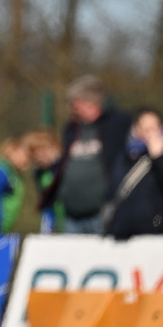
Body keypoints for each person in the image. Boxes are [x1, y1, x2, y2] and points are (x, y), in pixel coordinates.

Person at [43, 75, 132, 235]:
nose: (71, 108)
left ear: (91, 103)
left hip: (102, 212)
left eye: (75, 103)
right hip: (71, 214)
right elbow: (65, 162)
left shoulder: (119, 124)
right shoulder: (71, 128)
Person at [106, 107, 163, 240]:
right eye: (146, 128)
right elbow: (114, 187)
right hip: (124, 232)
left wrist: (160, 157)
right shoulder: (124, 154)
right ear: (136, 129)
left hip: (156, 228)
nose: (151, 133)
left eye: (154, 128)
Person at [23, 129, 65, 234]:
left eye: (38, 154)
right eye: (33, 157)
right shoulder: (39, 173)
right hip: (51, 216)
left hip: (69, 216)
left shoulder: (65, 165)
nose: (37, 160)